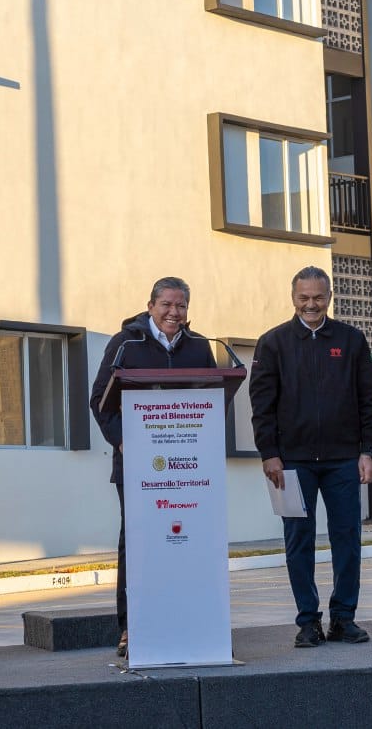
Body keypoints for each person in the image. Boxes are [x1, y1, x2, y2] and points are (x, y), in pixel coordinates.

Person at [250, 266, 372, 648]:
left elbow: (369, 400)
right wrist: (269, 454)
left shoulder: (351, 340)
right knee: (298, 542)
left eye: (318, 297)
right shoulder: (272, 343)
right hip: (291, 463)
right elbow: (261, 406)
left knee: (348, 539)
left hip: (343, 460)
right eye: (304, 298)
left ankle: (343, 618)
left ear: (329, 297)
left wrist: (368, 451)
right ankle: (308, 622)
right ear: (293, 298)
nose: (311, 304)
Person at [89, 277, 217, 657]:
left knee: (187, 540)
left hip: (188, 468)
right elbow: (99, 400)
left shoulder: (200, 347)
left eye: (181, 306)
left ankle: (188, 620)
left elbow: (215, 398)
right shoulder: (126, 344)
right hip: (137, 466)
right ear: (150, 307)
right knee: (138, 543)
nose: (173, 313)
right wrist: (123, 441)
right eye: (166, 305)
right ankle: (131, 626)